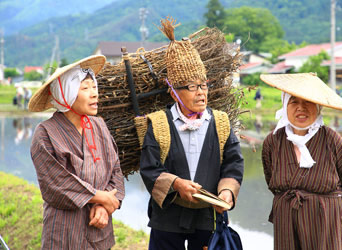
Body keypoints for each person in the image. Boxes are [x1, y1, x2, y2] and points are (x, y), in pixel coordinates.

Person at [139, 18, 244, 250]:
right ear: (174, 91)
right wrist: (176, 184)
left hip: (208, 217)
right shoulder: (158, 124)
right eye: (191, 87)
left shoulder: (221, 122)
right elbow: (149, 168)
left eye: (203, 85)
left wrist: (227, 192)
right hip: (166, 218)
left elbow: (233, 163)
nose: (200, 93)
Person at [29, 55, 125, 249]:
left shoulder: (99, 125)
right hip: (64, 232)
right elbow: (55, 184)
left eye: (94, 86)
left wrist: (104, 206)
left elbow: (115, 170)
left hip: (99, 228)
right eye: (85, 88)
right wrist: (100, 196)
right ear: (66, 94)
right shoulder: (45, 133)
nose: (94, 93)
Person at [260, 73, 342, 250]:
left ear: (318, 107)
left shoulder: (331, 139)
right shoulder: (273, 141)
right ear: (285, 105)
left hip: (326, 224)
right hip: (286, 222)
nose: (301, 108)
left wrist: (329, 207)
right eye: (294, 101)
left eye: (308, 101)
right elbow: (272, 181)